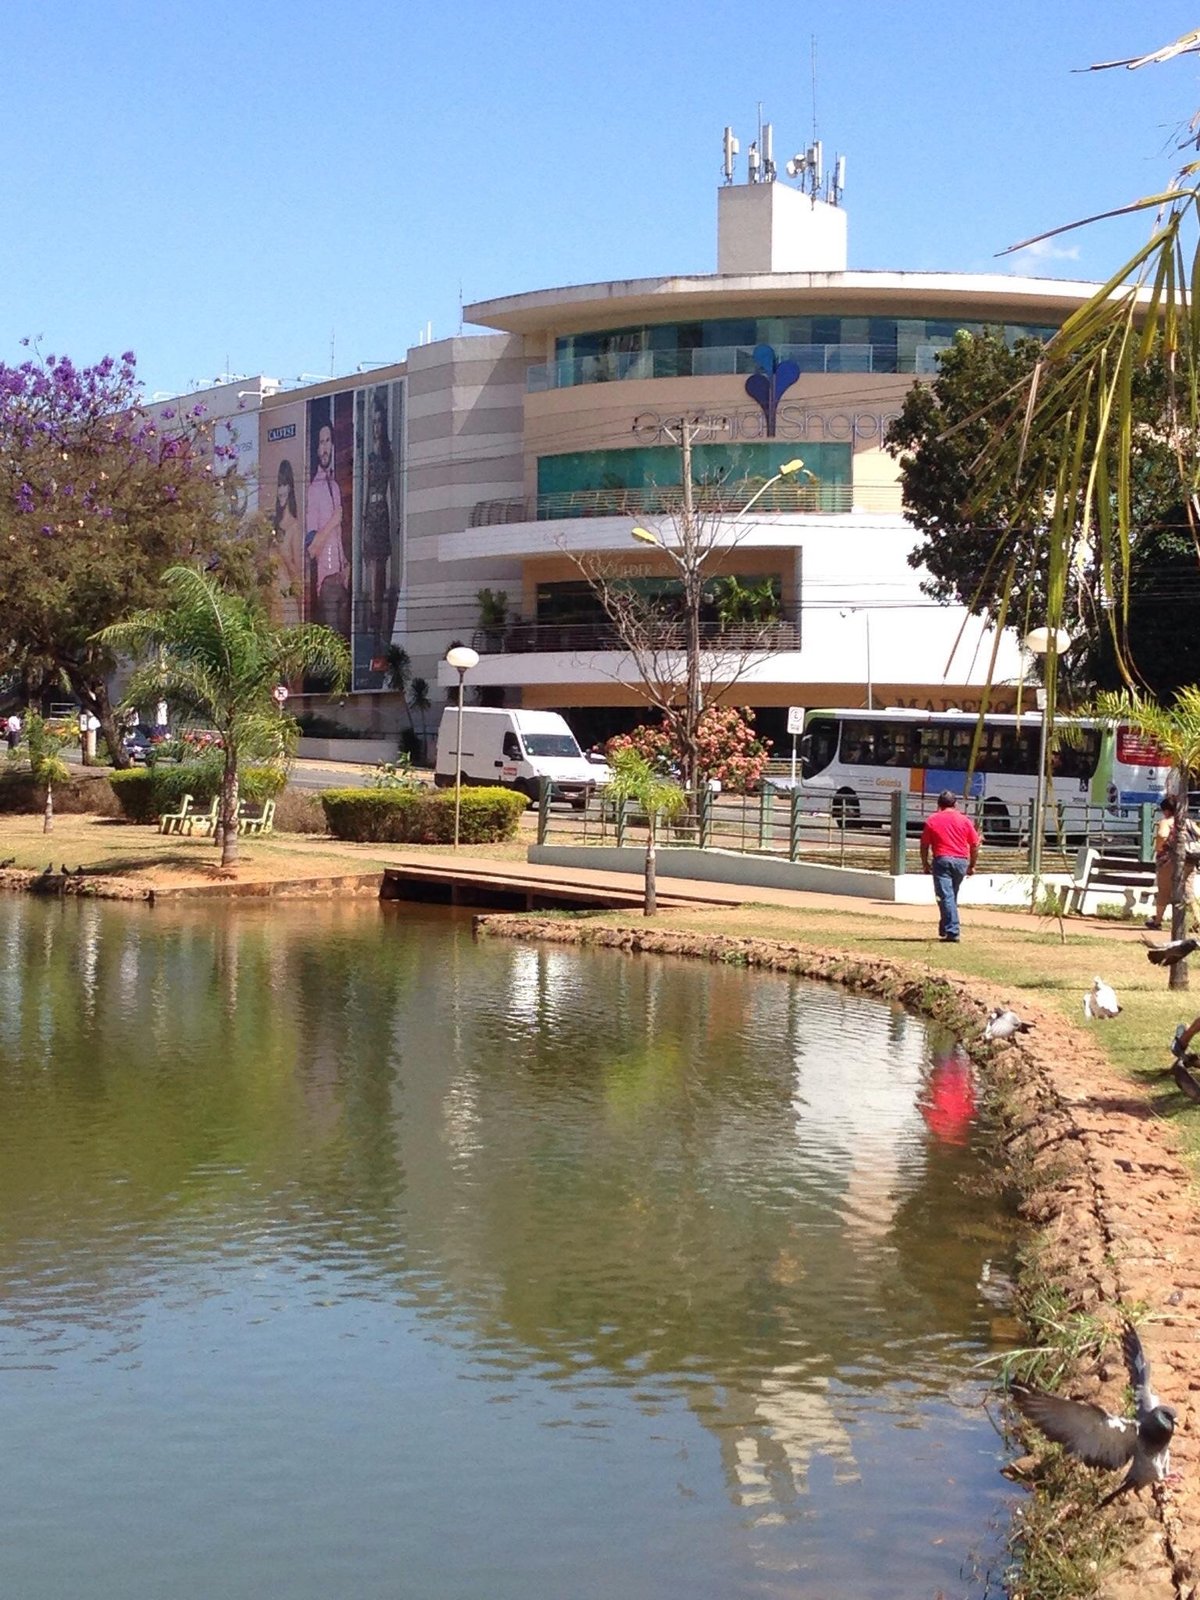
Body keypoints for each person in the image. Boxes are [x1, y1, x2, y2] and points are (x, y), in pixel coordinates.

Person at [306, 420, 349, 637]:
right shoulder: (314, 490)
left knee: (345, 642)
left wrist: (346, 568)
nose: (324, 448)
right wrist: (333, 521)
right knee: (335, 640)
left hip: (341, 578)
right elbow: (312, 549)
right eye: (321, 442)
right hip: (326, 581)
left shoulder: (334, 486)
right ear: (316, 449)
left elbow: (338, 539)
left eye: (328, 441)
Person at [919, 789, 980, 943]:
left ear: (939, 804)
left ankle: (952, 931)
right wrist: (972, 865)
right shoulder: (964, 820)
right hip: (961, 861)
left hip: (942, 860)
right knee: (950, 896)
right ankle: (945, 927)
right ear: (956, 804)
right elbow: (974, 844)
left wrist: (925, 863)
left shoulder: (932, 820)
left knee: (945, 896)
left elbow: (924, 845)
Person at [361, 392, 394, 643]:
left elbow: (393, 487)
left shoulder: (387, 454)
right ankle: (373, 616)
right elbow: (363, 487)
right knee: (371, 564)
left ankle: (378, 615)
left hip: (382, 511)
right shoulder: (368, 456)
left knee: (380, 568)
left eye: (380, 421)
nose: (376, 426)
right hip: (369, 514)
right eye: (374, 421)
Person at [1147, 793, 1198, 931]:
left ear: (1167, 810)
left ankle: (1157, 921)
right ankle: (1198, 919)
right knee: (1188, 890)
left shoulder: (1167, 821)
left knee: (1164, 890)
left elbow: (1162, 835)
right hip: (1189, 860)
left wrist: (1159, 847)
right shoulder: (1188, 822)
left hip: (1169, 860)